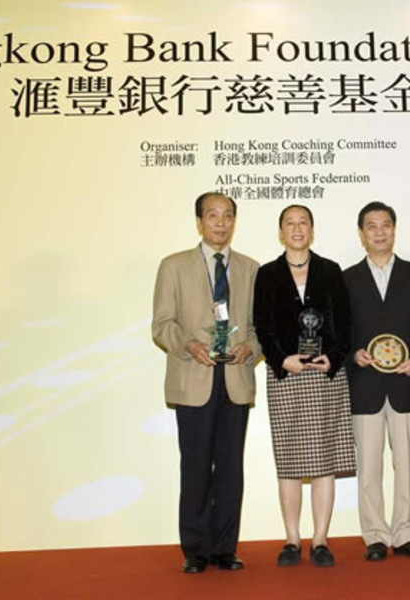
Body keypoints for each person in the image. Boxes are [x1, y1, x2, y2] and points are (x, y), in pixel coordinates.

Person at [152, 192, 260, 574]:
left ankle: (225, 548)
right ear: (199, 221)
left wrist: (252, 347)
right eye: (212, 215)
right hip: (192, 377)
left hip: (235, 378)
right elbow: (162, 324)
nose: (220, 222)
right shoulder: (173, 266)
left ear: (234, 221)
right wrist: (189, 345)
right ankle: (196, 549)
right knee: (196, 466)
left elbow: (260, 327)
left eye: (228, 215)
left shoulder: (251, 268)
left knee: (231, 467)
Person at [253, 204, 355, 567]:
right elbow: (261, 326)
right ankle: (292, 539)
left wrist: (334, 356)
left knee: (324, 459)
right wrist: (282, 359)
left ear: (312, 230)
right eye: (290, 223)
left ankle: (321, 539)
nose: (297, 229)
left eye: (303, 223)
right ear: (281, 232)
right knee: (290, 461)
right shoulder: (267, 274)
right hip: (287, 374)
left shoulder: (330, 270)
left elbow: (344, 322)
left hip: (325, 374)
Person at [343, 201, 410, 561]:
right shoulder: (347, 278)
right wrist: (354, 353)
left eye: (385, 225)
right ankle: (375, 537)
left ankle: (405, 533)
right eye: (372, 226)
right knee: (368, 467)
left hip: (406, 384)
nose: (379, 232)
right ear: (362, 233)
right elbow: (342, 332)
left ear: (394, 230)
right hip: (365, 386)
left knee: (408, 466)